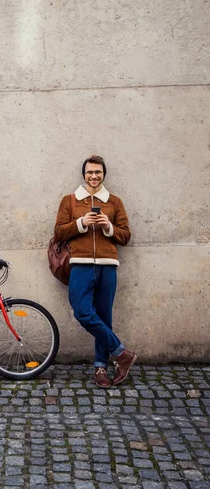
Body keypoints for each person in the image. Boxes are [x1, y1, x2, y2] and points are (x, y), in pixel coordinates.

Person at [54, 155, 137, 388]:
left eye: (98, 172)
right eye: (90, 172)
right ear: (84, 175)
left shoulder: (114, 202)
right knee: (82, 311)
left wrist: (107, 227)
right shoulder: (69, 201)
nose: (93, 176)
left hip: (108, 266)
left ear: (103, 174)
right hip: (79, 264)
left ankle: (101, 366)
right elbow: (59, 232)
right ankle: (122, 354)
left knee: (104, 316)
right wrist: (81, 223)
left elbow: (126, 236)